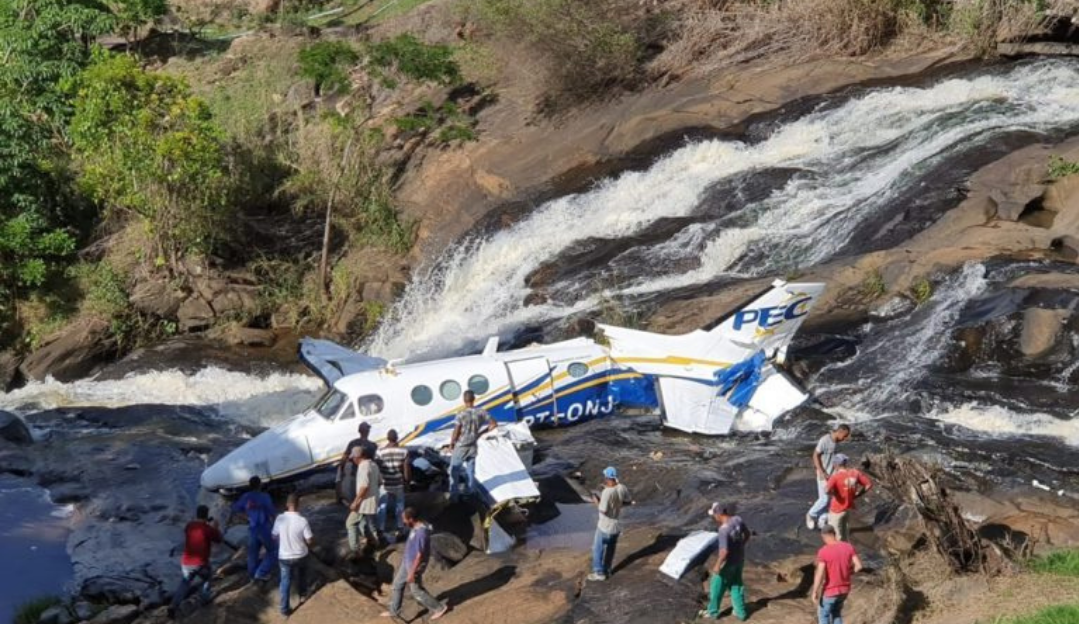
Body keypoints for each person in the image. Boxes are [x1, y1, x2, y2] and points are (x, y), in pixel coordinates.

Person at [381, 507, 449, 620]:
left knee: (416, 591)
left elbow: (420, 555)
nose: (403, 521)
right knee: (397, 584)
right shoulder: (415, 527)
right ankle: (394, 610)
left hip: (415, 565)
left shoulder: (421, 533)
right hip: (407, 561)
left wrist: (412, 572)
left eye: (404, 519)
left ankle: (439, 608)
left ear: (411, 519)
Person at [167, 505, 222, 618]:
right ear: (207, 516)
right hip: (200, 563)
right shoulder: (207, 529)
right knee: (207, 578)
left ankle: (173, 605)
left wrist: (205, 524)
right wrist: (215, 527)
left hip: (186, 563)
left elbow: (196, 531)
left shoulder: (189, 526)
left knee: (185, 583)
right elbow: (218, 539)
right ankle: (205, 598)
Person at [701, 502, 749, 621]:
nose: (714, 517)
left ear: (719, 514)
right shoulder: (738, 519)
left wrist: (717, 566)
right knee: (736, 585)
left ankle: (712, 612)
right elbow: (747, 534)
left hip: (727, 563)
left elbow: (724, 552)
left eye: (714, 514)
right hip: (739, 559)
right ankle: (740, 612)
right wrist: (741, 546)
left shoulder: (723, 530)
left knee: (716, 586)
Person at [447, 390, 496, 501]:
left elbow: (456, 431)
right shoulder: (481, 412)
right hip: (473, 444)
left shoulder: (461, 414)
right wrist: (480, 433)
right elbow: (494, 424)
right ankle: (471, 492)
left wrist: (451, 444)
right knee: (470, 470)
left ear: (464, 400)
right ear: (474, 399)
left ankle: (454, 495)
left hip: (461, 445)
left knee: (453, 470)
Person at [811, 524, 863, 624]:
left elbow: (820, 573)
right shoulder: (848, 547)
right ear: (834, 534)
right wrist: (849, 572)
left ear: (824, 536)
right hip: (845, 589)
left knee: (823, 615)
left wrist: (815, 591)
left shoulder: (823, 551)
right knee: (836, 613)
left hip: (830, 590)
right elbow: (859, 566)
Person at [588, 466, 632, 581]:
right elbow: (628, 502)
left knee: (598, 549)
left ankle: (598, 573)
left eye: (605, 477)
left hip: (604, 526)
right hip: (616, 526)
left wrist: (596, 502)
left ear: (607, 478)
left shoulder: (607, 492)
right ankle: (607, 570)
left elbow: (603, 510)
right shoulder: (622, 488)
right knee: (611, 549)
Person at [273, 493, 313, 616]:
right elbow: (310, 540)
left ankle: (284, 609)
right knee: (302, 575)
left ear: (287, 505)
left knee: (285, 581)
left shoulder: (279, 518)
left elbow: (274, 536)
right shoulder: (302, 520)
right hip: (301, 555)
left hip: (284, 557)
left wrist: (283, 540)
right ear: (298, 505)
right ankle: (302, 595)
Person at [231, 476, 276, 581]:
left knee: (252, 553)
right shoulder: (265, 496)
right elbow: (272, 514)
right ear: (260, 485)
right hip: (264, 527)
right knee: (273, 550)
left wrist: (246, 517)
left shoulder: (245, 497)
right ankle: (261, 572)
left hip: (252, 528)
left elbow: (235, 508)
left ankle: (252, 574)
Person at [806, 424, 851, 530]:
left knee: (830, 499)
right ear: (840, 431)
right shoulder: (825, 440)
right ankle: (810, 515)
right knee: (824, 499)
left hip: (832, 475)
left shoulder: (837, 442)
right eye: (844, 436)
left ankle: (821, 521)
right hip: (823, 474)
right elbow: (815, 455)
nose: (845, 439)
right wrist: (821, 472)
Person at [825, 454, 872, 542]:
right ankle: (846, 552)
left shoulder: (835, 477)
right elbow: (868, 484)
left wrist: (834, 493)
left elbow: (826, 490)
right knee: (845, 533)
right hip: (847, 508)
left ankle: (839, 554)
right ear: (845, 463)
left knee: (836, 535)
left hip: (836, 509)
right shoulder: (855, 472)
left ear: (835, 465)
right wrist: (857, 495)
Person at [376, 429, 411, 539]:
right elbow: (406, 469)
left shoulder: (380, 452)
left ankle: (380, 529)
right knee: (399, 506)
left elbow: (378, 469)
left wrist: (379, 482)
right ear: (397, 438)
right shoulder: (404, 451)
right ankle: (400, 528)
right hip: (398, 482)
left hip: (385, 483)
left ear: (387, 438)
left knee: (382, 507)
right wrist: (407, 482)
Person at [346, 445, 381, 553]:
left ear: (357, 457)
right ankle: (374, 542)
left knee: (350, 523)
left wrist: (356, 502)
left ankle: (355, 550)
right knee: (364, 524)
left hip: (364, 502)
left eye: (353, 458)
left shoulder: (363, 466)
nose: (353, 460)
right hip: (373, 499)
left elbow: (364, 486)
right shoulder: (373, 464)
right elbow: (380, 482)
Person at [338, 422, 378, 505]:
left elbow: (344, 458)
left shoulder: (352, 443)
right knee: (364, 496)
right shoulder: (373, 445)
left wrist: (342, 471)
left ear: (359, 431)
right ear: (368, 432)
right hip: (366, 474)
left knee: (353, 497)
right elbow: (374, 462)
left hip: (354, 474)